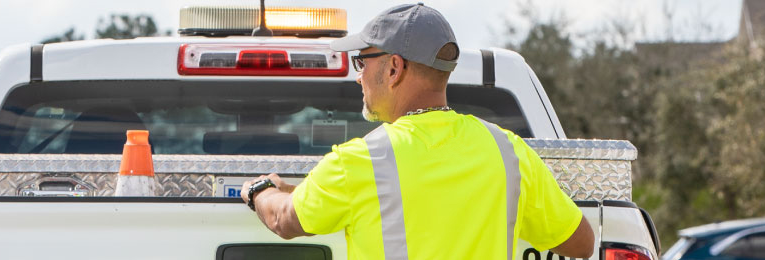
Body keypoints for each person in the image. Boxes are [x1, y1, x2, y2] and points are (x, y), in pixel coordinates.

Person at [238, 3, 596, 259]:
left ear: (394, 68)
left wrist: (259, 190)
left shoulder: (359, 163)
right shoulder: (509, 153)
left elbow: (283, 219)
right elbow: (581, 244)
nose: (358, 74)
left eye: (362, 61)